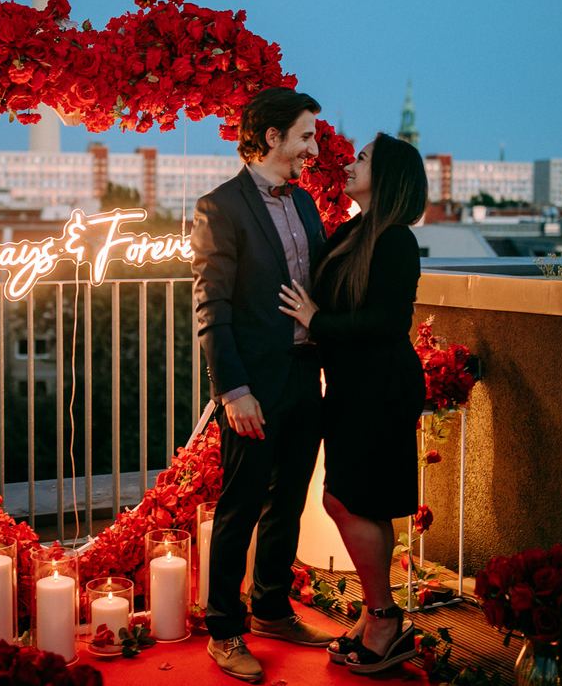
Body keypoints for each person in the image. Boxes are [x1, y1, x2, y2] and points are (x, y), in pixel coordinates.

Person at [191, 87, 335, 683]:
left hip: (307, 375)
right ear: (271, 137)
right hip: (253, 386)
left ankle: (272, 608)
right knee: (240, 505)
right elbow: (211, 307)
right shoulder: (218, 206)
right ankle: (224, 630)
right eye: (305, 135)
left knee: (290, 499)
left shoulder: (304, 204)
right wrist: (232, 391)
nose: (313, 147)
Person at [279, 132, 428, 675]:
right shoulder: (355, 232)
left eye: (362, 159)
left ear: (386, 177)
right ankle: (380, 614)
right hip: (354, 385)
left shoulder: (395, 241)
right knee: (357, 501)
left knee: (345, 500)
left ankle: (384, 616)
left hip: (380, 389)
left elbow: (388, 322)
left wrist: (316, 321)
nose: (349, 163)